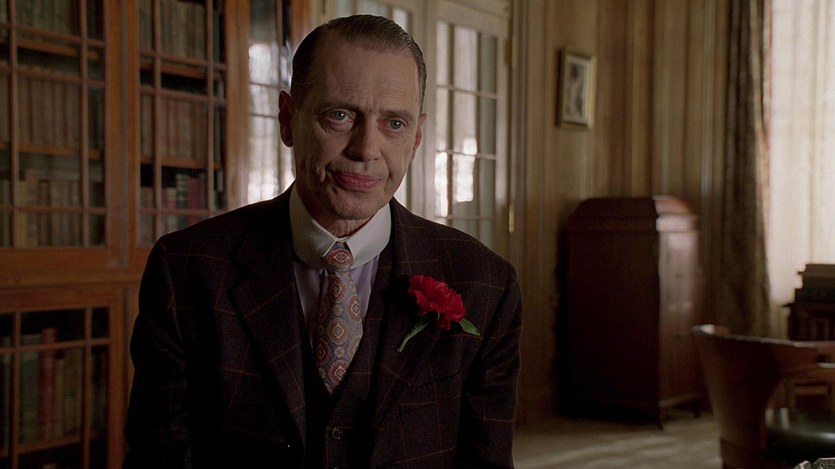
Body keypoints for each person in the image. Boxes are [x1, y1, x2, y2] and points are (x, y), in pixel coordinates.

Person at [124, 14, 523, 468]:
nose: (366, 149)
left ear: (415, 139)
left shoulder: (485, 283)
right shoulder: (187, 269)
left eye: (393, 123)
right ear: (288, 119)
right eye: (340, 116)